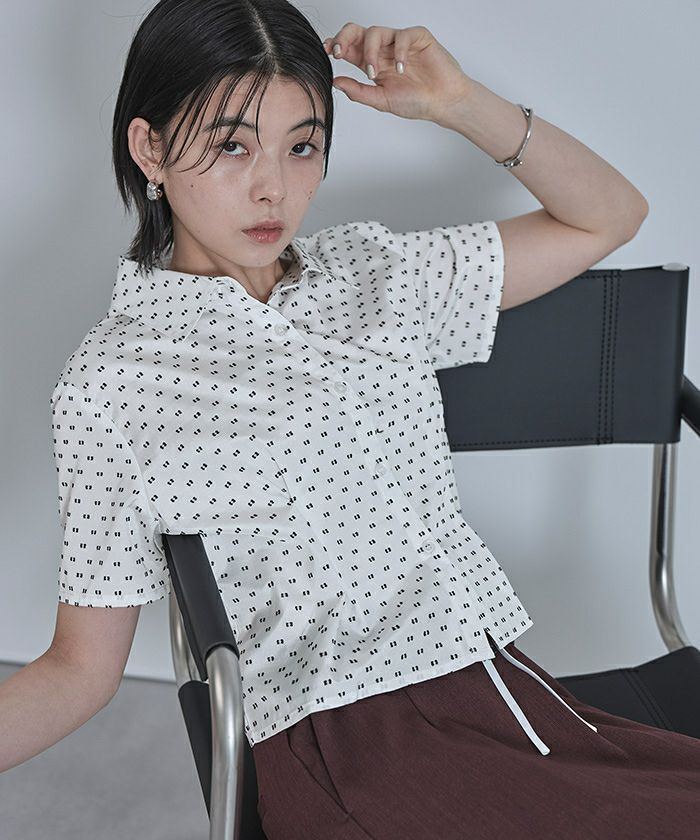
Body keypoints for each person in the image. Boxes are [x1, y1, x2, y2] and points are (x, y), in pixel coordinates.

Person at [2, 1, 699, 838]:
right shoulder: (112, 385)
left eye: (302, 146)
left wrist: (459, 103)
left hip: (504, 694)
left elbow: (609, 215)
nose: (273, 187)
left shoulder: (376, 275)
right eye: (232, 146)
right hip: (351, 745)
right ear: (150, 149)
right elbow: (78, 670)